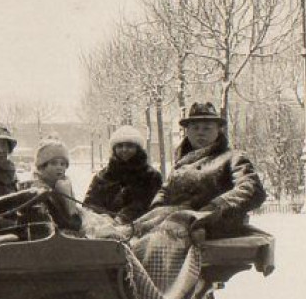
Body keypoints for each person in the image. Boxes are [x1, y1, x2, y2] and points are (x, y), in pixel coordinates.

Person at [135, 102, 267, 240]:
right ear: (187, 131)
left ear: (218, 130)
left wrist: (215, 206)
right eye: (195, 128)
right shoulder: (182, 164)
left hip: (215, 226)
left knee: (163, 236)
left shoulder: (233, 158)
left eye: (207, 128)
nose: (200, 133)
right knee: (133, 234)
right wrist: (157, 208)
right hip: (173, 222)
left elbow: (250, 188)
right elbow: (165, 190)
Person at [83, 125, 163, 227]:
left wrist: (122, 218)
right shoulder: (101, 177)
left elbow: (149, 206)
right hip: (102, 231)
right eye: (120, 146)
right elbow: (89, 205)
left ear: (138, 148)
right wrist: (104, 220)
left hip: (140, 229)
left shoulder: (151, 177)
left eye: (129, 145)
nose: (124, 149)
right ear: (114, 149)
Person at [30, 139, 84, 234]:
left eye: (63, 164)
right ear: (42, 166)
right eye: (54, 163)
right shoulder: (37, 191)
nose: (59, 167)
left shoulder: (63, 187)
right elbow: (62, 223)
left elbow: (76, 220)